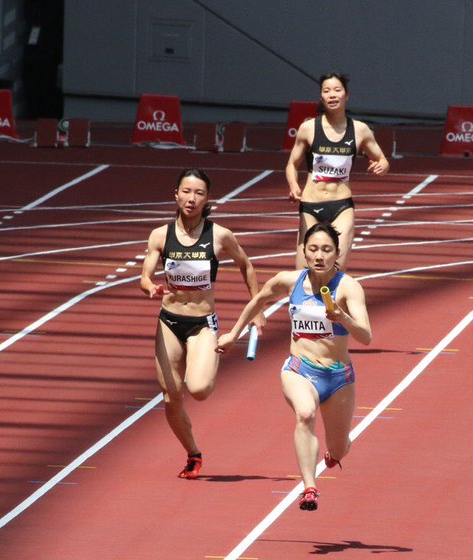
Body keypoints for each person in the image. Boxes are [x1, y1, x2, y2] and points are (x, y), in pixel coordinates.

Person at [217, 222, 370, 510]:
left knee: (339, 447)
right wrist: (234, 333)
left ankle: (335, 453)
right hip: (300, 369)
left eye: (326, 250)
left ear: (337, 253)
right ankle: (310, 487)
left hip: (339, 376)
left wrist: (342, 318)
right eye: (313, 249)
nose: (319, 255)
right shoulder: (290, 281)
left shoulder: (349, 288)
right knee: (305, 413)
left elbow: (366, 335)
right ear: (304, 251)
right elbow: (260, 299)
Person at [140, 168, 265, 479]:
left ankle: (210, 355)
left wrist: (258, 308)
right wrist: (150, 287)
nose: (191, 198)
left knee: (199, 389)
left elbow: (246, 265)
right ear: (176, 195)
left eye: (198, 193)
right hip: (169, 321)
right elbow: (144, 276)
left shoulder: (219, 235)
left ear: (208, 199)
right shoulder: (160, 235)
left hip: (201, 324)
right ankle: (193, 453)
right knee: (170, 398)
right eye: (186, 191)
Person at [286, 72, 390, 271]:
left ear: (346, 95)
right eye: (326, 91)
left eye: (337, 90)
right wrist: (293, 186)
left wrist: (382, 166)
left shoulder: (360, 130)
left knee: (334, 270)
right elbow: (291, 164)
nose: (332, 95)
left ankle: (331, 302)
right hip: (310, 205)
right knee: (302, 272)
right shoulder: (308, 128)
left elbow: (382, 159)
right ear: (321, 97)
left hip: (341, 205)